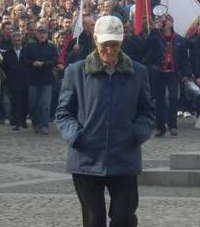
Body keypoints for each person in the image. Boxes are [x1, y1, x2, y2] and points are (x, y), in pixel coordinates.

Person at [57, 15, 155, 227]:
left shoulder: (138, 72)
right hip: (86, 158)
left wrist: (135, 134)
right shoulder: (76, 72)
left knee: (124, 218)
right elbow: (64, 113)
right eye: (105, 45)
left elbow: (147, 113)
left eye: (115, 45)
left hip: (124, 157)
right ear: (95, 41)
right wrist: (76, 136)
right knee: (94, 220)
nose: (110, 51)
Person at [144, 13, 190, 137]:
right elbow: (147, 47)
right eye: (162, 21)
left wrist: (185, 73)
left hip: (173, 73)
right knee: (159, 101)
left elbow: (185, 58)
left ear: (171, 22)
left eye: (166, 20)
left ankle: (173, 126)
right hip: (159, 73)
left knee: (173, 98)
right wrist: (154, 31)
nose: (164, 23)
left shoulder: (179, 39)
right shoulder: (155, 36)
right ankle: (160, 127)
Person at [22, 26, 59, 135]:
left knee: (46, 104)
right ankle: (36, 123)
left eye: (44, 32)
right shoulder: (29, 46)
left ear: (47, 34)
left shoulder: (52, 47)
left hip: (47, 79)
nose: (42, 35)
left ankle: (44, 125)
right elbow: (23, 58)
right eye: (40, 32)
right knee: (33, 104)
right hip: (33, 79)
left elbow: (55, 60)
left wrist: (44, 63)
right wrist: (32, 63)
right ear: (36, 34)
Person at [0, 26, 29, 130]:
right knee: (16, 102)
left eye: (19, 40)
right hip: (14, 81)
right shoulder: (8, 53)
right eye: (15, 40)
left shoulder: (27, 51)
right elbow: (5, 67)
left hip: (25, 80)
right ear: (12, 41)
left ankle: (23, 120)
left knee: (25, 102)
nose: (17, 42)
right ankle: (16, 122)